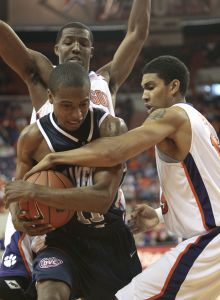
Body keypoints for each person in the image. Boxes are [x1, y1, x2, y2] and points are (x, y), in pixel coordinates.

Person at [17, 55, 220, 300]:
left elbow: (115, 150)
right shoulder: (200, 121)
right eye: (143, 88)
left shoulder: (171, 116)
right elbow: (204, 190)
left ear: (174, 86)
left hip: (210, 241)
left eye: (151, 87)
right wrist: (158, 215)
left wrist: (57, 158)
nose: (144, 96)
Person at [0, 1, 151, 298]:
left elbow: (136, 33)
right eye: (68, 41)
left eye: (84, 43)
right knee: (16, 290)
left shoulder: (106, 81)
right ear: (56, 48)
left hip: (95, 204)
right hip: (46, 209)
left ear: (92, 51)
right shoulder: (42, 76)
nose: (76, 47)